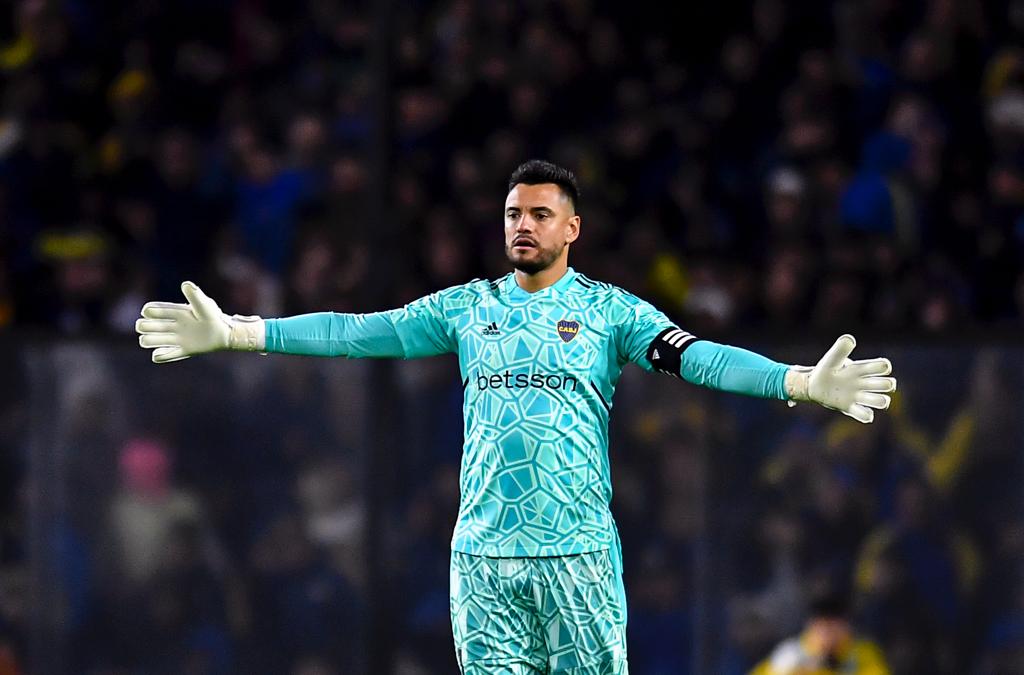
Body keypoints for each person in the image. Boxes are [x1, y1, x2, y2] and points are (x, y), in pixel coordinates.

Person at [136, 160, 897, 674]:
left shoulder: (609, 312)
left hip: (579, 562)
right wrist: (241, 330)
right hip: (486, 562)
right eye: (512, 213)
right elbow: (354, 330)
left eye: (540, 212)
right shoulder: (469, 309)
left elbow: (700, 357)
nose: (522, 224)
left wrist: (797, 380)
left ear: (572, 229)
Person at [749, 587, 891, 675]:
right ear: (812, 626)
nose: (827, 633)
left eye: (833, 626)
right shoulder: (790, 655)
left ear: (846, 626)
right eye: (822, 626)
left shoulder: (862, 653)